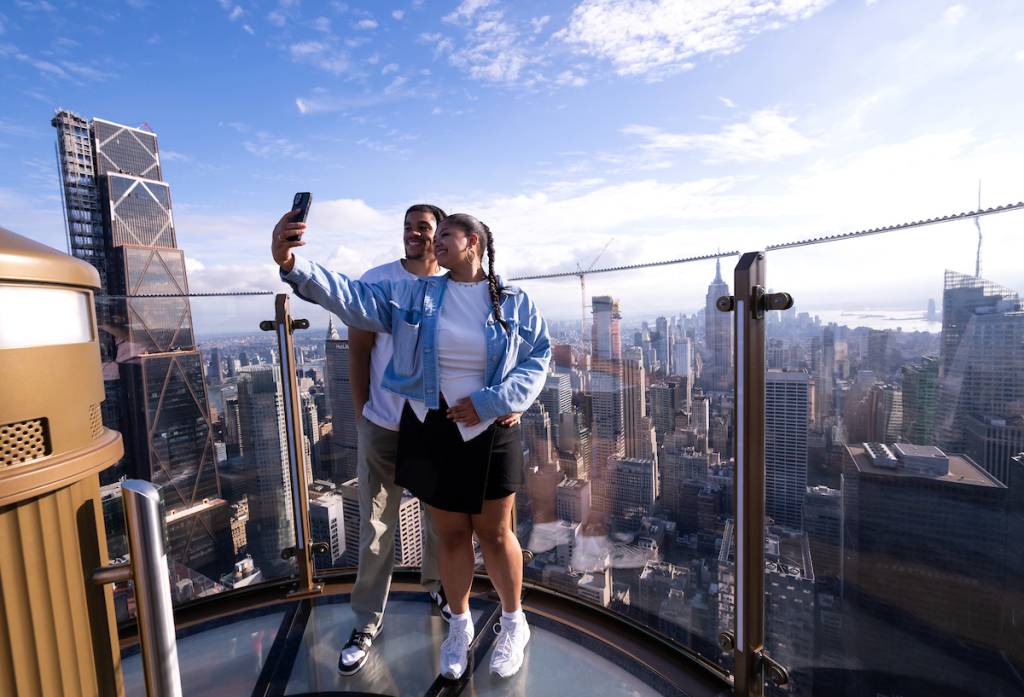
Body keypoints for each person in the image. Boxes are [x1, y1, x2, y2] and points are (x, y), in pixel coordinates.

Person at [272, 210, 550, 681]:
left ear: (475, 243)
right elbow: (352, 298)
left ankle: (512, 622)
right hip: (432, 426)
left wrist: (493, 400)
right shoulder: (417, 296)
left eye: (447, 234)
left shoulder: (514, 300)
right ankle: (459, 627)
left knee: (496, 533)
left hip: (490, 427)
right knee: (452, 535)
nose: (436, 242)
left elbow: (538, 356)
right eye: (434, 235)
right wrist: (293, 263)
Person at [339, 204, 452, 676]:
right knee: (377, 527)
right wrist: (365, 413)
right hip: (384, 424)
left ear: (440, 234)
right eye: (407, 227)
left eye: (422, 228)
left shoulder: (455, 284)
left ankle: (441, 589)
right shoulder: (377, 280)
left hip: (434, 426)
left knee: (440, 520)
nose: (413, 235)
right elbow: (360, 349)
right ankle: (367, 621)